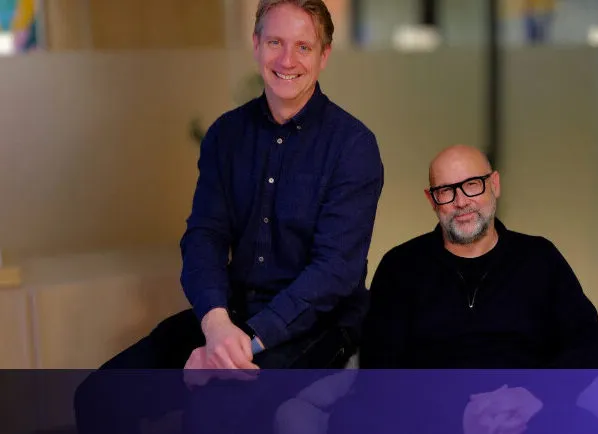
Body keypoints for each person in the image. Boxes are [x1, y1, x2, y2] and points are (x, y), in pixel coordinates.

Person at [73, 1, 384, 432]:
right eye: (275, 42)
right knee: (98, 397)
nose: (287, 60)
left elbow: (333, 273)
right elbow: (205, 236)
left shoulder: (353, 147)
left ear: (324, 56)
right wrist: (216, 324)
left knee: (216, 412)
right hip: (231, 312)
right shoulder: (225, 135)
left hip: (317, 323)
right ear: (256, 45)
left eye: (303, 47)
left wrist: (241, 344)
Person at [324, 144, 598, 434]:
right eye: (446, 191)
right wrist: (460, 415)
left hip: (525, 412)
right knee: (350, 419)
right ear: (432, 199)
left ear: (494, 185)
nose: (461, 202)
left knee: (582, 424)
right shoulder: (401, 265)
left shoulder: (539, 257)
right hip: (429, 416)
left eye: (472, 185)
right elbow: (381, 370)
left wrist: (532, 395)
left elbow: (591, 341)